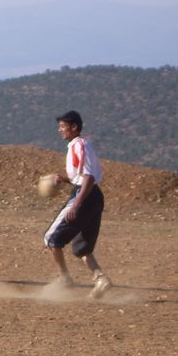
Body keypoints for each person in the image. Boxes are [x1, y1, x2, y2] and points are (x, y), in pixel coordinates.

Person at [43, 110, 112, 299]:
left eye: (63, 126)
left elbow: (88, 177)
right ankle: (100, 279)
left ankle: (65, 278)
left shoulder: (78, 145)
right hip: (94, 196)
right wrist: (65, 179)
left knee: (51, 239)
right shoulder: (79, 145)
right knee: (81, 247)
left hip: (85, 195)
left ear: (74, 127)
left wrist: (76, 205)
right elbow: (83, 175)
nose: (60, 130)